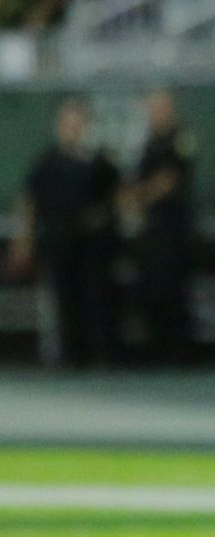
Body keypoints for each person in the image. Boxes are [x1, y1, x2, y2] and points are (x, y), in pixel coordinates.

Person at [9, 98, 121, 366]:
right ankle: (72, 358)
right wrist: (23, 241)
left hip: (94, 246)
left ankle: (102, 357)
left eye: (77, 124)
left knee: (97, 298)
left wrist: (102, 216)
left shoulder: (100, 163)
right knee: (65, 300)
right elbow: (29, 202)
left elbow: (118, 196)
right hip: (60, 242)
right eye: (67, 124)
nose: (72, 129)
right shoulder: (46, 163)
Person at [127, 89, 196, 363]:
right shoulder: (149, 142)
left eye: (159, 109)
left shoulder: (182, 140)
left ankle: (179, 351)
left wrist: (138, 199)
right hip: (151, 231)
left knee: (173, 290)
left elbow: (169, 181)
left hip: (173, 229)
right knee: (151, 288)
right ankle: (155, 348)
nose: (154, 115)